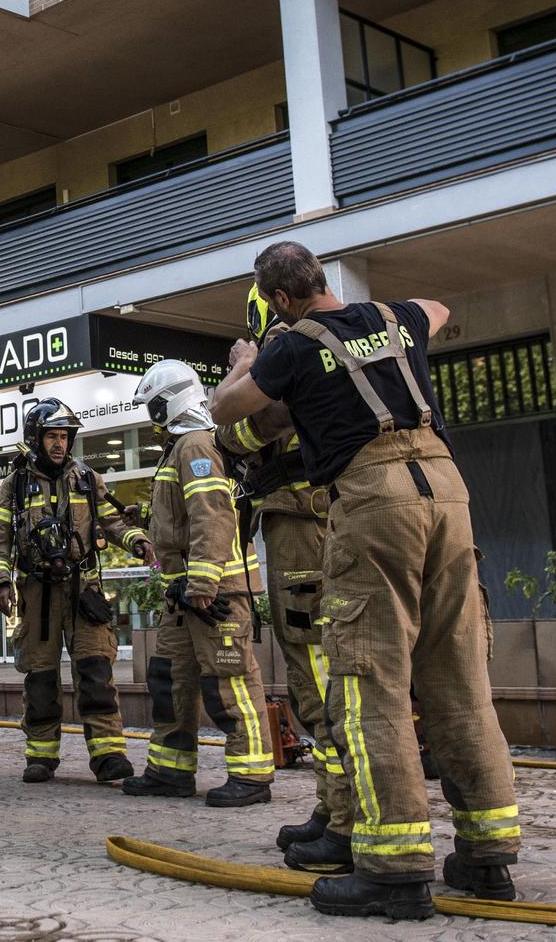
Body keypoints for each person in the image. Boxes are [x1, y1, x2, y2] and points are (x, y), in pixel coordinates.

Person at [212, 241, 520, 921]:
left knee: (369, 679)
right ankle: (488, 855)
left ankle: (395, 870)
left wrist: (247, 359)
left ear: (282, 300)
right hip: (447, 491)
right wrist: (395, 332)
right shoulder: (395, 315)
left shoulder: (291, 346)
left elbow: (224, 410)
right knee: (458, 675)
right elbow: (439, 308)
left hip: (374, 499)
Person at [219, 287, 349, 847]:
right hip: (337, 516)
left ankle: (341, 812)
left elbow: (242, 429)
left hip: (301, 523)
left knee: (316, 671)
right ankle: (333, 805)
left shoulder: (283, 348)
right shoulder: (343, 341)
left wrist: (242, 368)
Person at [123, 360, 276, 808]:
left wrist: (204, 583)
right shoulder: (181, 448)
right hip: (185, 598)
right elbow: (183, 521)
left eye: (152, 407)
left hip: (214, 595)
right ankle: (170, 771)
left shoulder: (194, 445)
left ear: (169, 401)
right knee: (170, 680)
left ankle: (252, 776)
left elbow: (213, 513)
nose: (150, 417)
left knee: (229, 683)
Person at [0, 398, 153, 784]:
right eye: (52, 437)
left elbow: (111, 523)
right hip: (37, 594)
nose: (59, 444)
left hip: (84, 592)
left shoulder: (87, 478)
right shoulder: (15, 485)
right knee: (40, 679)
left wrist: (136, 540)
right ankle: (41, 756)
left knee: (96, 671)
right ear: (36, 438)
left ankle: (109, 753)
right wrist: (0, 582)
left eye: (64, 437)